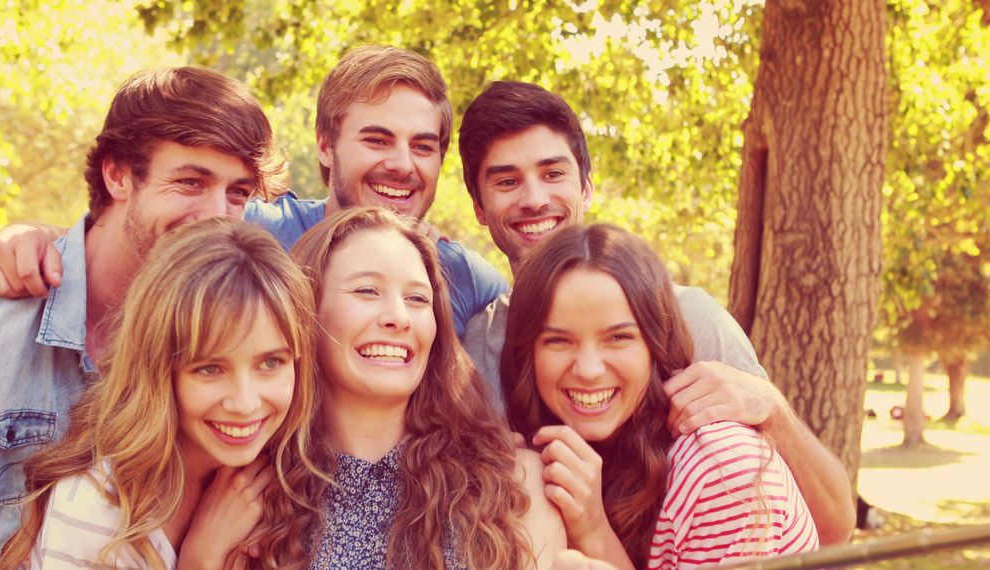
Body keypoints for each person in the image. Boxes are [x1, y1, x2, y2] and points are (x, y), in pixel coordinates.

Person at [0, 66, 286, 568]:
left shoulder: (238, 333)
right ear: (117, 175)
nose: (218, 214)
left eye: (237, 193)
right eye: (191, 181)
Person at [457, 81, 855, 545]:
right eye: (507, 181)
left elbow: (835, 527)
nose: (533, 199)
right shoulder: (478, 348)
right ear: (480, 208)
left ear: (586, 189)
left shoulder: (691, 320)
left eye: (553, 174)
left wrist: (772, 410)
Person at [0, 45, 505, 335]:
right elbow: (151, 226)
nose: (401, 165)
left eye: (424, 145)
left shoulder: (463, 279)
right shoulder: (256, 232)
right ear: (325, 144)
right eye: (377, 138)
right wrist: (36, 239)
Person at [0, 217, 320, 569]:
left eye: (270, 363)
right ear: (158, 371)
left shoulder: (281, 476)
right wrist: (202, 558)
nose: (245, 403)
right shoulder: (97, 510)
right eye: (209, 369)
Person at [502, 224, 818, 568]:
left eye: (618, 338)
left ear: (656, 344)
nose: (589, 369)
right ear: (527, 355)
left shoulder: (722, 467)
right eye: (558, 341)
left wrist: (591, 529)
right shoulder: (547, 456)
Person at [282, 207, 565, 568]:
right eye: (367, 290)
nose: (399, 318)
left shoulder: (512, 485)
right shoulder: (258, 494)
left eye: (417, 299)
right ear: (307, 308)